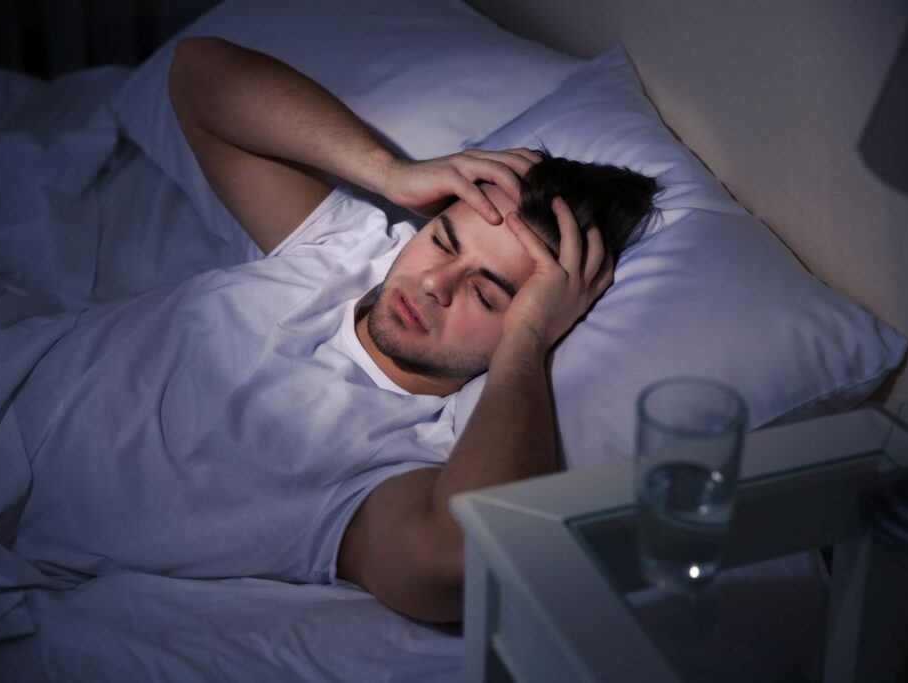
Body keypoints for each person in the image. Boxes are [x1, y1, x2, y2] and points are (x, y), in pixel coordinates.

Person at [164, 37, 658, 623]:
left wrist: (526, 343)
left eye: (484, 293)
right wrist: (391, 173)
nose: (433, 284)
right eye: (443, 242)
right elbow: (195, 71)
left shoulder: (397, 456)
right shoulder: (346, 248)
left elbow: (456, 561)